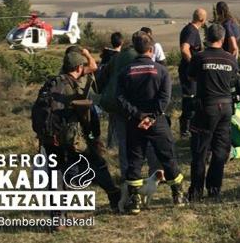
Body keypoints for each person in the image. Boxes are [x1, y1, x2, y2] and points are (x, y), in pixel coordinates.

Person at [32, 51, 120, 227]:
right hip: (72, 140)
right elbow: (90, 115)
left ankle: (58, 219)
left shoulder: (51, 83)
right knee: (97, 164)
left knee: (55, 176)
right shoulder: (77, 88)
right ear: (79, 67)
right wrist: (95, 138)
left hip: (50, 140)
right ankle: (115, 198)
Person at [117, 32, 187, 213]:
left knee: (135, 160)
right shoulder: (161, 70)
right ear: (151, 49)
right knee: (168, 157)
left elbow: (120, 98)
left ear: (135, 49)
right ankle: (177, 195)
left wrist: (139, 116)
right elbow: (165, 98)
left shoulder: (125, 71)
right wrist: (152, 117)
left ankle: (134, 201)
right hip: (158, 122)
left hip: (135, 122)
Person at [187, 24, 238, 201]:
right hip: (226, 108)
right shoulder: (230, 59)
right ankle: (214, 188)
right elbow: (233, 80)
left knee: (200, 151)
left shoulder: (199, 57)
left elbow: (191, 77)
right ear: (222, 39)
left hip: (206, 107)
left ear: (207, 38)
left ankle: (196, 191)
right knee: (220, 151)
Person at [100, 34, 160, 179]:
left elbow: (102, 78)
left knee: (123, 142)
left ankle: (127, 176)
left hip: (118, 105)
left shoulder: (117, 57)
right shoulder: (139, 58)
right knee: (149, 140)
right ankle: (155, 173)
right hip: (139, 107)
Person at [179, 8, 207, 137]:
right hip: (188, 70)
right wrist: (193, 65)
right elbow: (185, 49)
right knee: (189, 98)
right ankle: (185, 129)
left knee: (192, 97)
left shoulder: (190, 30)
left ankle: (189, 128)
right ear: (202, 19)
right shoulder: (191, 31)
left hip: (188, 70)